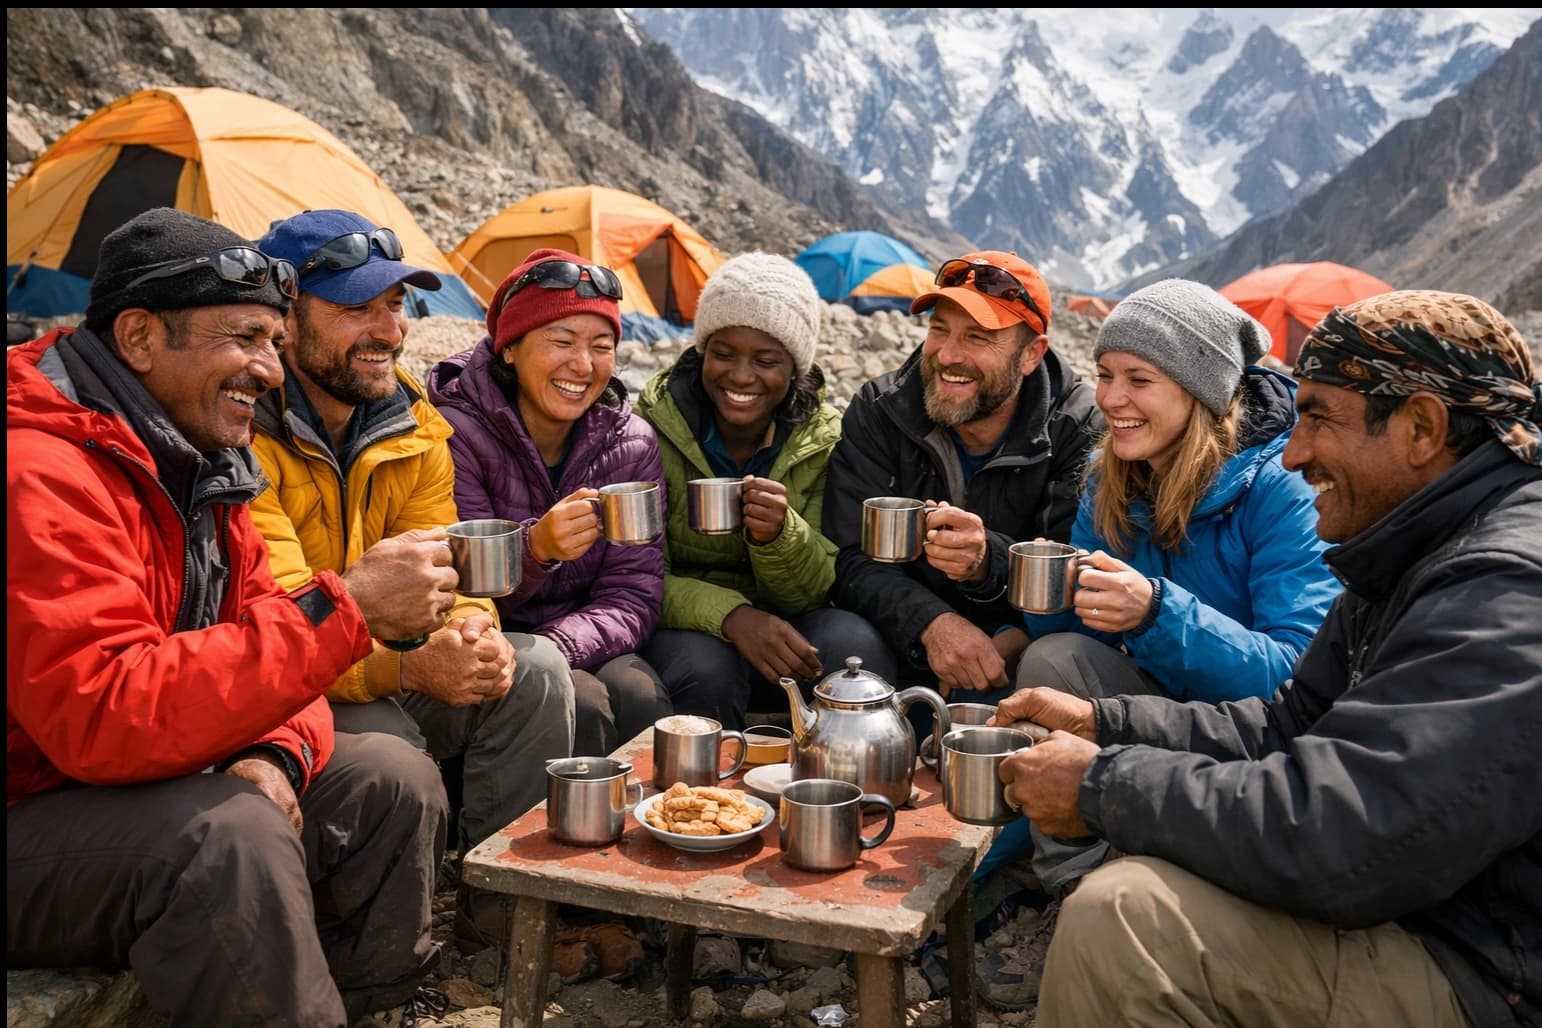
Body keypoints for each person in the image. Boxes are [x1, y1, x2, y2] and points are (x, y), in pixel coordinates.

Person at [992, 291, 1541, 1027]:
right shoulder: (1411, 548)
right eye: (1105, 375)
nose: (1292, 450)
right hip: (1431, 909)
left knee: (1123, 922)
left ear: (1420, 429)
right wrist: (1106, 723)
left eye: (1319, 419)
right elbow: (1290, 724)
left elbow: (1347, 838)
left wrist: (1102, 785)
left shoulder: (1505, 591)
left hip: (1488, 967)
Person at [7, 207, 455, 1026]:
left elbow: (281, 654)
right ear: (140, 339)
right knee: (225, 841)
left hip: (130, 781)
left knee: (391, 779)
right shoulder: (39, 470)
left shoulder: (199, 456)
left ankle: (376, 1006)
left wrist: (272, 755)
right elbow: (102, 713)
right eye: (246, 338)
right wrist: (348, 606)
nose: (271, 370)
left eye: (274, 342)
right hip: (30, 806)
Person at [968, 279, 1344, 1005]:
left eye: (1140, 380)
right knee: (1047, 662)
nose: (1111, 400)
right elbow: (1068, 641)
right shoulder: (1112, 475)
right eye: (1106, 375)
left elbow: (1297, 680)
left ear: (1199, 392)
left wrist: (1156, 614)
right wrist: (1021, 578)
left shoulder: (1280, 490)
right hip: (1143, 710)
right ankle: (1076, 898)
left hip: (1248, 738)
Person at [250, 210, 575, 954]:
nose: (388, 330)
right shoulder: (246, 435)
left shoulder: (409, 422)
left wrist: (473, 630)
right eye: (354, 308)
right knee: (392, 737)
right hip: (289, 693)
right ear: (284, 318)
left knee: (535, 672)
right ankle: (369, 949)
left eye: (395, 305)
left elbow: (450, 566)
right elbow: (273, 627)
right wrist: (408, 665)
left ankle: (497, 913)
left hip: (388, 658)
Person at [823, 250, 1103, 704]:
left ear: (1032, 354)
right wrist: (931, 624)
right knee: (839, 635)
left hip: (1016, 643)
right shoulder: (882, 408)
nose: (949, 355)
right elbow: (848, 554)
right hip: (909, 631)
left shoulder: (1079, 427)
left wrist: (987, 565)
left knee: (1047, 661)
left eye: (977, 337)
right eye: (939, 330)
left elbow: (1078, 568)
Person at [427, 248, 670, 761]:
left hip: (584, 636)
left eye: (601, 346)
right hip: (485, 637)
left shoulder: (630, 442)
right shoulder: (454, 432)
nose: (582, 366)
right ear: (509, 348)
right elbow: (459, 593)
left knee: (640, 694)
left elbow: (633, 591)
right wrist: (536, 548)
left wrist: (561, 646)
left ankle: (660, 828)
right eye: (561, 341)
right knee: (582, 703)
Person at [635, 252, 893, 728]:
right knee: (706, 665)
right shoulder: (650, 429)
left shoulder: (824, 440)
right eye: (724, 353)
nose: (741, 376)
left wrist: (779, 535)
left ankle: (841, 787)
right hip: (684, 630)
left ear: (795, 368)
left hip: (785, 625)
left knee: (850, 642)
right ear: (702, 353)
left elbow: (822, 586)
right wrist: (733, 616)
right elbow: (637, 574)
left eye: (767, 360)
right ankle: (704, 800)